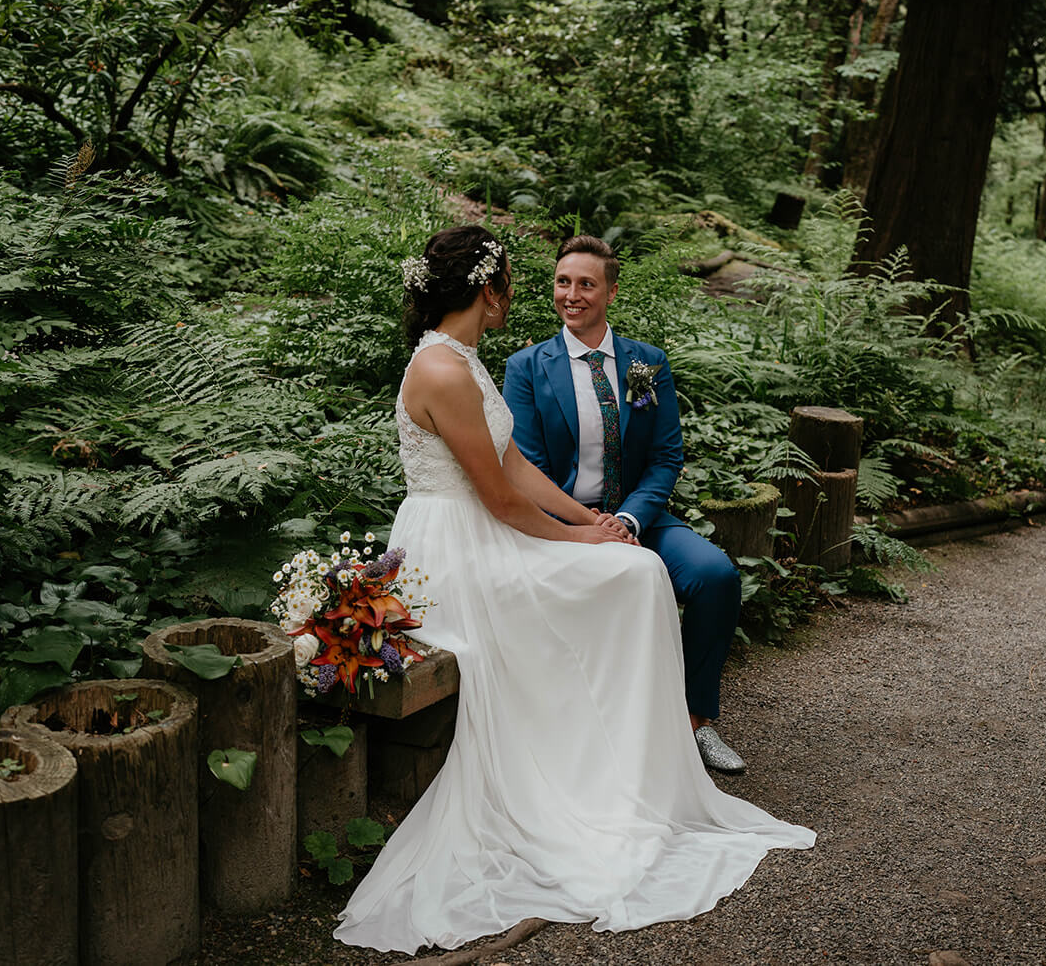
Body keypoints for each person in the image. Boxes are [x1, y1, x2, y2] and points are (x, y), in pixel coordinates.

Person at [334, 226, 813, 954]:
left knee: (640, 568)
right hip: (456, 548)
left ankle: (637, 758)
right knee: (630, 573)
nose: (534, 296)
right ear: (486, 289)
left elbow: (517, 466)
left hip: (487, 529)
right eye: (518, 283)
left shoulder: (464, 357)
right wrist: (585, 540)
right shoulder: (442, 369)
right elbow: (497, 499)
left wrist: (592, 521)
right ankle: (602, 770)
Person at [502, 235, 749, 774]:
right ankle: (605, 730)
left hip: (641, 516)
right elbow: (531, 467)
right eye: (563, 282)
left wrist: (631, 517)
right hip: (563, 523)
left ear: (610, 291)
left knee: (716, 576)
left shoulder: (645, 364)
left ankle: (696, 722)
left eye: (586, 284)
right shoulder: (527, 367)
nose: (572, 295)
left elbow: (665, 456)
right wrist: (591, 525)